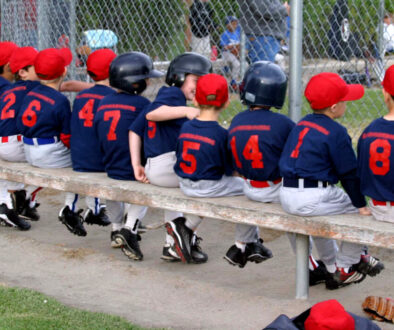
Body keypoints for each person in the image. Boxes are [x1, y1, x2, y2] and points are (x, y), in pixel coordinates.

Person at [279, 72, 384, 290]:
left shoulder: (301, 124)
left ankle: (330, 265)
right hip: (312, 195)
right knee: (360, 214)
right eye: (344, 100)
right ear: (334, 108)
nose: (347, 103)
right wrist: (361, 205)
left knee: (326, 212)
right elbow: (349, 174)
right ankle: (347, 266)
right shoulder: (336, 132)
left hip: (286, 193)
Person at [129, 52, 212, 263]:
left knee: (176, 195)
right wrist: (186, 111)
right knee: (212, 183)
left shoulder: (163, 97)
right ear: (179, 77)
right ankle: (185, 229)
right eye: (196, 80)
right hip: (165, 164)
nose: (199, 86)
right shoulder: (173, 95)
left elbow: (134, 130)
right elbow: (152, 115)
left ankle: (172, 245)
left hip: (157, 167)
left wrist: (137, 164)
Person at [95, 52, 163, 260]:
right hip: (133, 169)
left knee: (114, 191)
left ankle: (116, 229)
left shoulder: (103, 102)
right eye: (145, 78)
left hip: (110, 165)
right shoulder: (143, 105)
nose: (149, 81)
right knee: (148, 184)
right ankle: (129, 227)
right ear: (134, 84)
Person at [16, 48, 87, 237]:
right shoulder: (60, 100)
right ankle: (69, 209)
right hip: (48, 152)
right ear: (63, 72)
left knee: (50, 167)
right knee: (84, 165)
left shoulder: (30, 92)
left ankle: (26, 194)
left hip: (29, 149)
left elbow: (19, 122)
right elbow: (66, 136)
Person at [70, 49, 117, 229]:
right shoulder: (111, 98)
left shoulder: (81, 96)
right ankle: (119, 222)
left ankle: (94, 208)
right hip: (99, 161)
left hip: (78, 155)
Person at [357, 65, 394, 223]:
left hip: (378, 208)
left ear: (385, 94)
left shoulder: (369, 131)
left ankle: (355, 250)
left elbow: (360, 173)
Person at [220, 16, 242, 90]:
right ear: (227, 25)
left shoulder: (237, 32)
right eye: (232, 24)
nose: (234, 26)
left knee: (245, 64)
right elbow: (225, 47)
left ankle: (241, 82)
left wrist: (237, 49)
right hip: (227, 53)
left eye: (236, 24)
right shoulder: (225, 34)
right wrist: (234, 47)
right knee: (237, 64)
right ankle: (233, 83)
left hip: (235, 53)